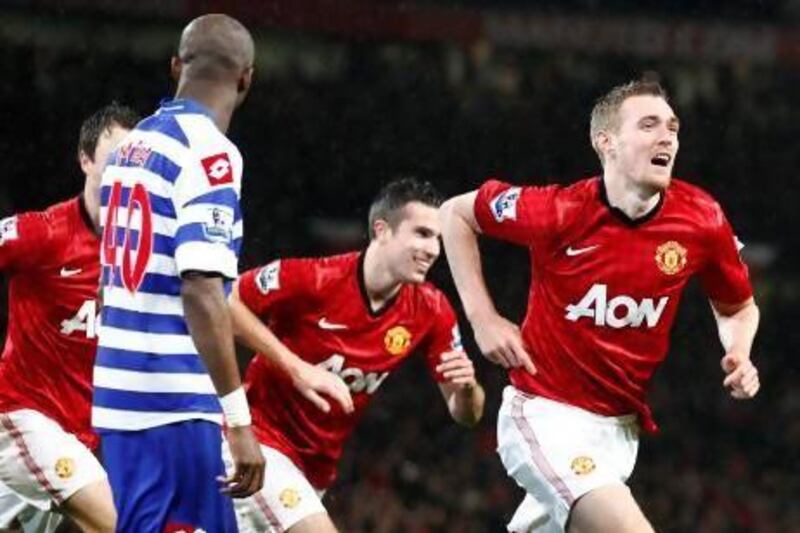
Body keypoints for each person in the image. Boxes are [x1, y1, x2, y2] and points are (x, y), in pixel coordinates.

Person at [439, 79, 760, 532]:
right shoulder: (558, 210)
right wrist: (482, 317)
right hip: (545, 415)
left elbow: (737, 307)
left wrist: (740, 351)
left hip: (619, 434)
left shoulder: (701, 219)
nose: (667, 135)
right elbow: (454, 213)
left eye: (672, 126)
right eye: (648, 125)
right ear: (605, 142)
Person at [224, 178, 486, 532]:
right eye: (422, 233)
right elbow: (225, 301)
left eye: (438, 238)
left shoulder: (431, 309)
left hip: (315, 472)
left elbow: (465, 414)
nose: (434, 249)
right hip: (260, 444)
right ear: (382, 230)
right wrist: (298, 368)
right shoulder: (315, 279)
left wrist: (467, 388)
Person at [93, 14, 264, 532]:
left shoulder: (129, 151)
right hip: (173, 404)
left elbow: (109, 286)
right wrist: (238, 421)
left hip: (120, 402)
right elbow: (202, 290)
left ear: (175, 67)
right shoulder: (210, 154)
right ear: (246, 78)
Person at [0, 103, 138, 532]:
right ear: (85, 160)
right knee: (123, 523)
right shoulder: (43, 233)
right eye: (115, 159)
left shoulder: (145, 254)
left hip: (79, 438)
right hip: (21, 417)